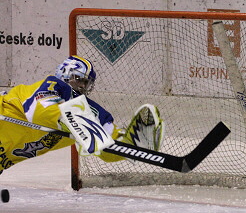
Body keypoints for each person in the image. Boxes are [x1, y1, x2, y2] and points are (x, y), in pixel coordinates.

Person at [0, 55, 164, 176]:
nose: (81, 85)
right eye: (78, 79)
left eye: (85, 83)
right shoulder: (53, 85)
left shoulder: (87, 109)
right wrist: (71, 123)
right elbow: (40, 112)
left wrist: (129, 145)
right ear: (64, 73)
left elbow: (106, 148)